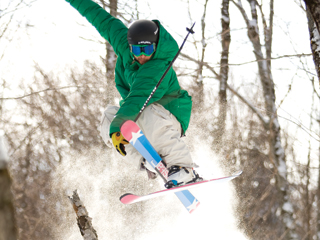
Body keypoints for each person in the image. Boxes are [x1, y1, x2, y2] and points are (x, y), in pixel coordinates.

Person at [65, 0, 202, 187]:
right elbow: (101, 19)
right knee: (108, 118)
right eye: (138, 49)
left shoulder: (157, 66)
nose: (143, 55)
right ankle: (147, 161)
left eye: (148, 49)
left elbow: (138, 99)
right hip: (142, 114)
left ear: (156, 46)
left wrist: (118, 127)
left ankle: (185, 168)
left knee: (142, 112)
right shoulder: (124, 45)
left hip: (168, 116)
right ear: (130, 46)